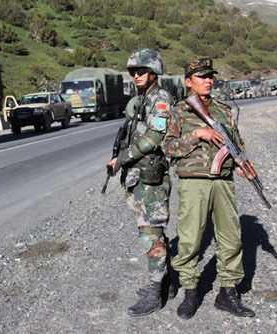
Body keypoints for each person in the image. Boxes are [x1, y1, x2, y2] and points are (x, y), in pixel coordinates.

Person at [162, 58, 255, 319]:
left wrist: (242, 163)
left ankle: (228, 292)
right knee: (190, 239)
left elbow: (237, 143)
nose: (208, 81)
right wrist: (196, 134)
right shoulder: (180, 110)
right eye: (202, 77)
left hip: (223, 182)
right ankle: (190, 291)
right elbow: (168, 148)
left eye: (211, 76)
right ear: (188, 81)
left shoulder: (224, 110)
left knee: (231, 237)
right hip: (194, 182)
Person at [108, 48, 175, 316]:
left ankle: (153, 292)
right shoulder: (142, 99)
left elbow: (155, 138)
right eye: (133, 71)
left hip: (151, 180)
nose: (136, 75)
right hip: (140, 178)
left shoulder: (160, 99)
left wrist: (125, 157)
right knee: (152, 231)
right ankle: (165, 282)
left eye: (141, 71)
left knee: (150, 235)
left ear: (154, 72)